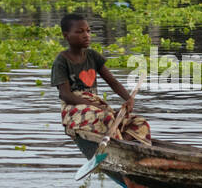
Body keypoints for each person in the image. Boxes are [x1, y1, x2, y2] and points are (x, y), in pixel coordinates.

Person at [54, 13, 149, 143]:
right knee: (107, 118)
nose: (86, 35)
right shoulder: (61, 61)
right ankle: (118, 145)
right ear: (66, 36)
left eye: (88, 31)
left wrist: (128, 98)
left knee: (140, 122)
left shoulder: (92, 56)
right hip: (74, 109)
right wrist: (95, 106)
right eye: (80, 32)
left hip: (95, 106)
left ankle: (124, 146)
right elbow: (66, 95)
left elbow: (112, 82)